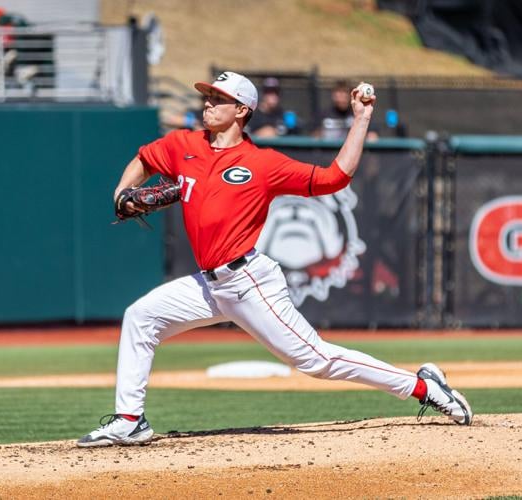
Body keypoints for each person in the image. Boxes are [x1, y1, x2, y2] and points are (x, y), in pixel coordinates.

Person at [77, 71, 472, 447]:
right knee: (141, 317)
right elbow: (145, 158)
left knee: (316, 360)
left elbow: (336, 177)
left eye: (219, 98)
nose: (208, 103)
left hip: (248, 282)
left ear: (243, 110)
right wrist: (121, 191)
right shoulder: (184, 145)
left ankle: (422, 385)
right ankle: (130, 421)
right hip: (208, 285)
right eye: (208, 96)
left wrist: (361, 120)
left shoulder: (263, 164)